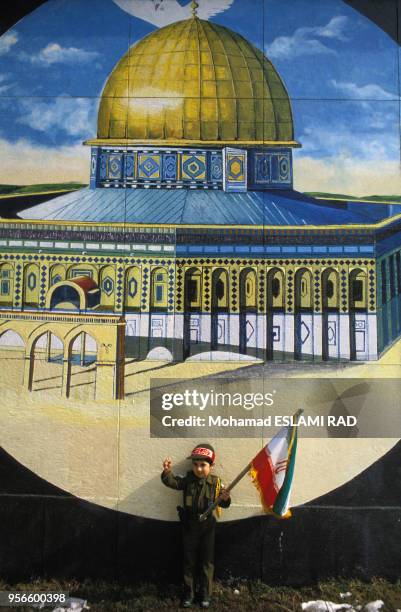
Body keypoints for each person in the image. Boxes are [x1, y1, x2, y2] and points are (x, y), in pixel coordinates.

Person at [161, 443, 231, 609]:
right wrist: (166, 472)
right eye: (196, 465)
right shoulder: (188, 480)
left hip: (208, 527)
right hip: (189, 526)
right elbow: (174, 483)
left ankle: (205, 594)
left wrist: (226, 497)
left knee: (207, 562)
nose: (199, 469)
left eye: (203, 465)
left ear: (211, 465)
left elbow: (225, 504)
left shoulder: (216, 483)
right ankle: (189, 594)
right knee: (189, 561)